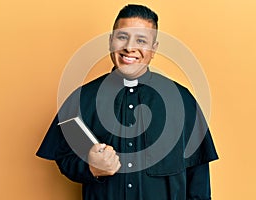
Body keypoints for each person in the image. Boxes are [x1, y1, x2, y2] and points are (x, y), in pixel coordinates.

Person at [36, 4, 218, 200]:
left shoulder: (181, 100)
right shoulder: (83, 99)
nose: (130, 48)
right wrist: (90, 168)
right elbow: (64, 158)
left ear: (153, 48)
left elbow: (199, 175)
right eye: (122, 37)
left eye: (141, 40)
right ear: (110, 41)